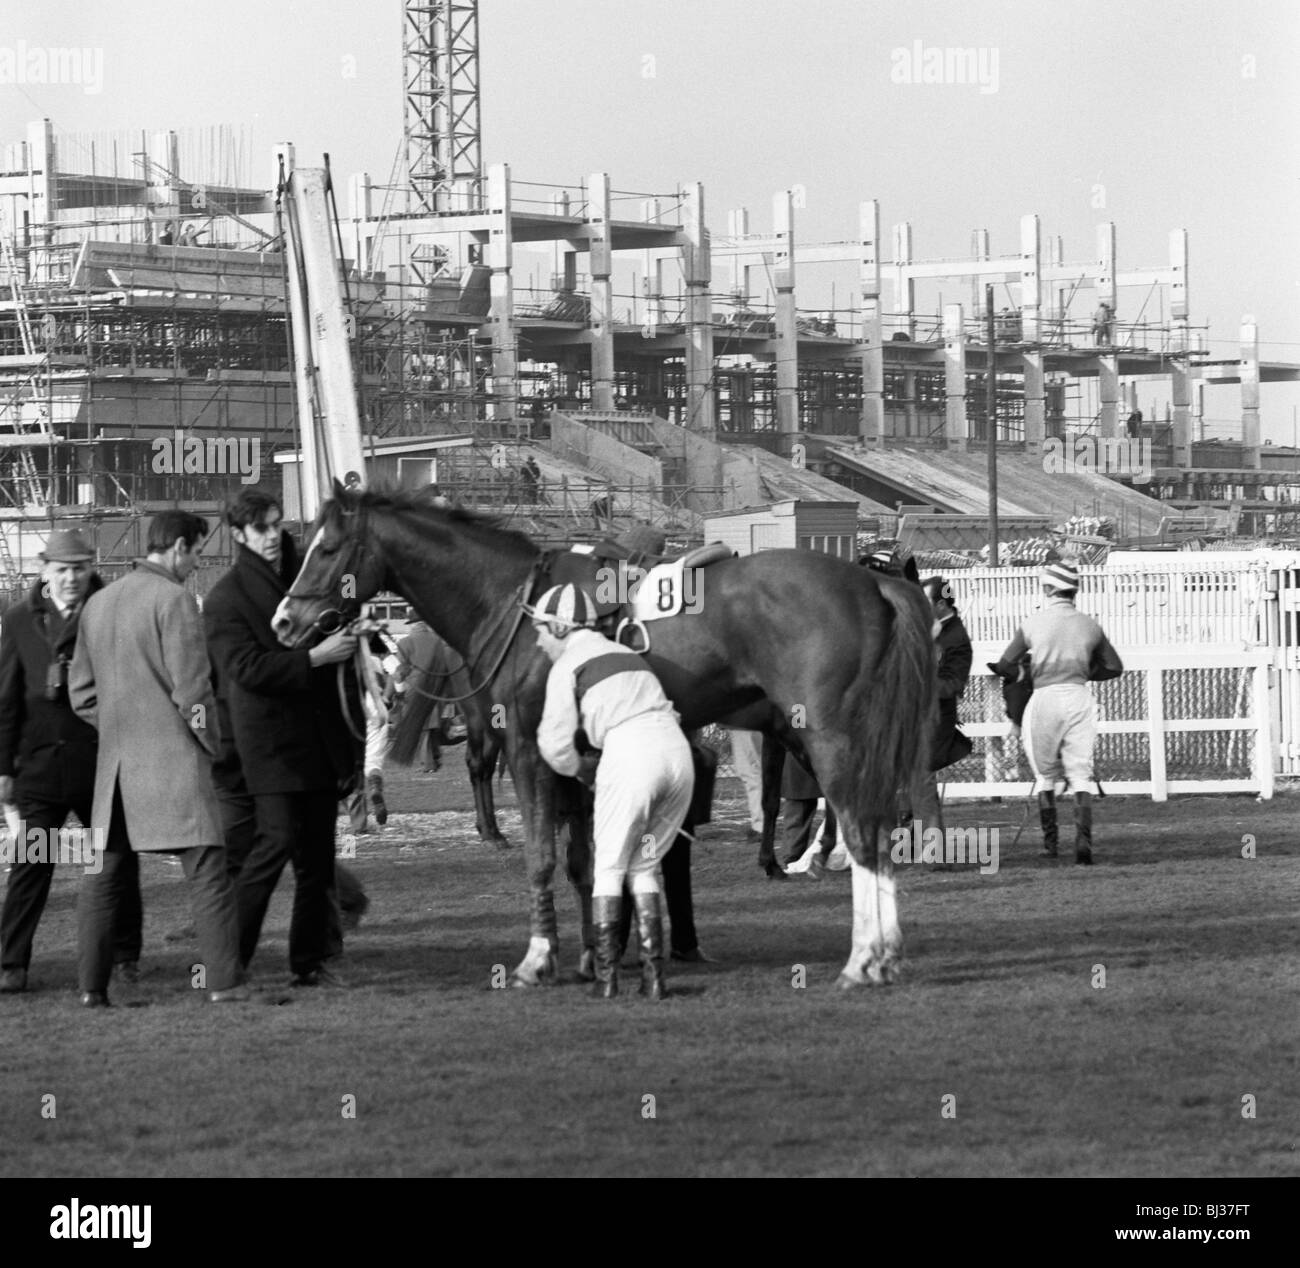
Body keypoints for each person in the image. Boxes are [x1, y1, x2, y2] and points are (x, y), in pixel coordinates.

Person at [69, 511, 245, 1006]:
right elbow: (192, 693)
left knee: (103, 880)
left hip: (116, 771)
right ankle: (224, 987)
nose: (197, 563)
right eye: (197, 552)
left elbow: (81, 695)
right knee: (209, 871)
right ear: (179, 547)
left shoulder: (97, 603)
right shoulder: (175, 600)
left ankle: (91, 990)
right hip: (174, 765)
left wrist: (125, 729)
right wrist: (216, 748)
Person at [204, 490, 362, 988]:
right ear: (238, 535)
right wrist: (317, 658)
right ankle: (230, 963)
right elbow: (244, 670)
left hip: (318, 739)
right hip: (269, 744)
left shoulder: (303, 573)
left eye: (276, 526)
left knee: (316, 860)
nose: (273, 537)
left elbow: (341, 595)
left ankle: (308, 964)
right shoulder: (225, 597)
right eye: (261, 529)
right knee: (271, 849)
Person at [530, 582, 693, 1000]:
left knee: (609, 868)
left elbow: (552, 743)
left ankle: (606, 979)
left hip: (630, 754)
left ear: (562, 628)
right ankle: (653, 978)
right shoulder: (627, 653)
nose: (539, 638)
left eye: (542, 629)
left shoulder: (567, 665)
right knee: (644, 866)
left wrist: (581, 770)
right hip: (678, 756)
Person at [0, 530, 142, 994]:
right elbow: (6, 700)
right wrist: (4, 770)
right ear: (45, 570)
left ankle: (124, 959)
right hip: (39, 768)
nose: (70, 579)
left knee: (117, 865)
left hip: (102, 765)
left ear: (91, 567)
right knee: (30, 865)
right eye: (61, 569)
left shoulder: (112, 611)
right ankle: (11, 963)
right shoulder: (20, 619)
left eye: (79, 568)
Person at [989, 561, 1124, 864]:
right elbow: (1114, 666)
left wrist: (1027, 673)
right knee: (1080, 774)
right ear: (1074, 589)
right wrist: (1085, 674)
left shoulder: (1033, 623)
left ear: (1048, 588)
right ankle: (1083, 842)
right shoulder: (1090, 625)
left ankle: (1051, 845)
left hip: (1045, 696)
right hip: (1079, 697)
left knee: (1045, 775)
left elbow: (1005, 664)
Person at [906, 577, 973, 864]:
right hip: (915, 716)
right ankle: (913, 846)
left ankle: (934, 854)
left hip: (935, 721)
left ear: (941, 604)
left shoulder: (956, 639)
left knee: (921, 782)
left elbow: (953, 685)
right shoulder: (930, 630)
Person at [727, 729, 765, 841]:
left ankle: (760, 827)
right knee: (754, 771)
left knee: (750, 772)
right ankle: (761, 825)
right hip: (746, 722)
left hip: (743, 722)